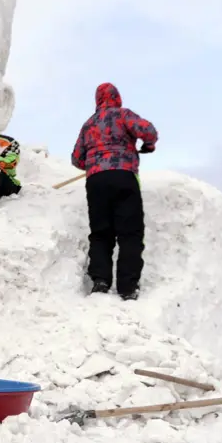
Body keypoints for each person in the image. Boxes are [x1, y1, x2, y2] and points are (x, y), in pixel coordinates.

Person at [72, 82, 158, 301]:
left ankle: (100, 281)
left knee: (101, 232)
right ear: (117, 97)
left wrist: (95, 162)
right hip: (123, 176)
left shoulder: (88, 124)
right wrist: (147, 146)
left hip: (96, 181)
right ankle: (128, 287)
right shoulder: (123, 115)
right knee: (130, 232)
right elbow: (148, 131)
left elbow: (76, 158)